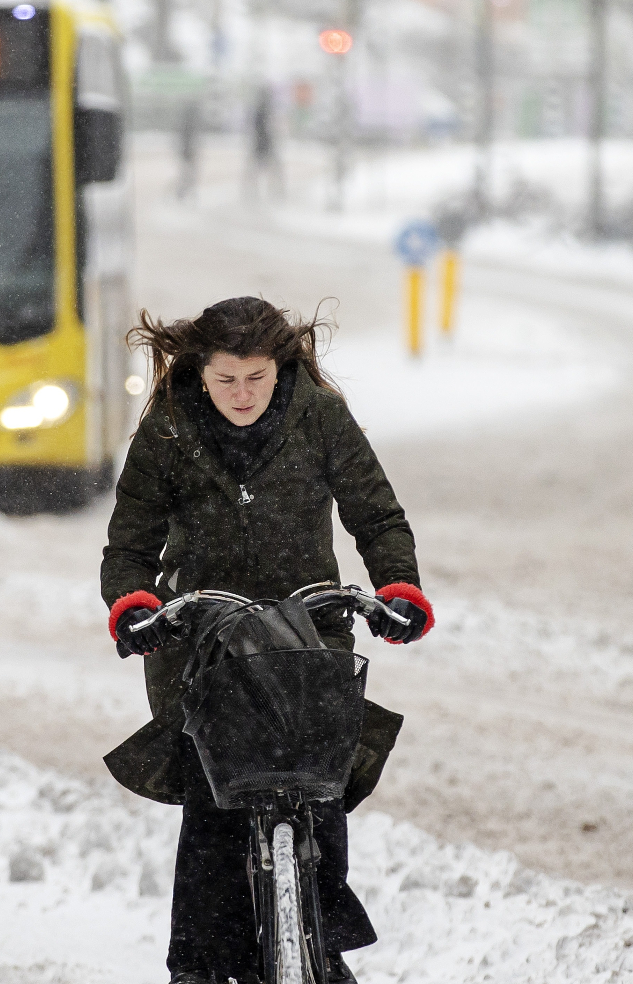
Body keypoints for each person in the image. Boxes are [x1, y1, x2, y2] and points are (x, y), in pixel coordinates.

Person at [100, 297, 434, 984]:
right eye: (226, 380)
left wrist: (397, 586)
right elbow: (129, 543)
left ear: (280, 368)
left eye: (257, 378)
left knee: (323, 792)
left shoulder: (319, 416)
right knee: (212, 810)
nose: (243, 394)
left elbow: (376, 514)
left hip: (309, 632)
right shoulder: (168, 427)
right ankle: (198, 968)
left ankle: (323, 944)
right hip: (202, 639)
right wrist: (135, 604)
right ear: (201, 371)